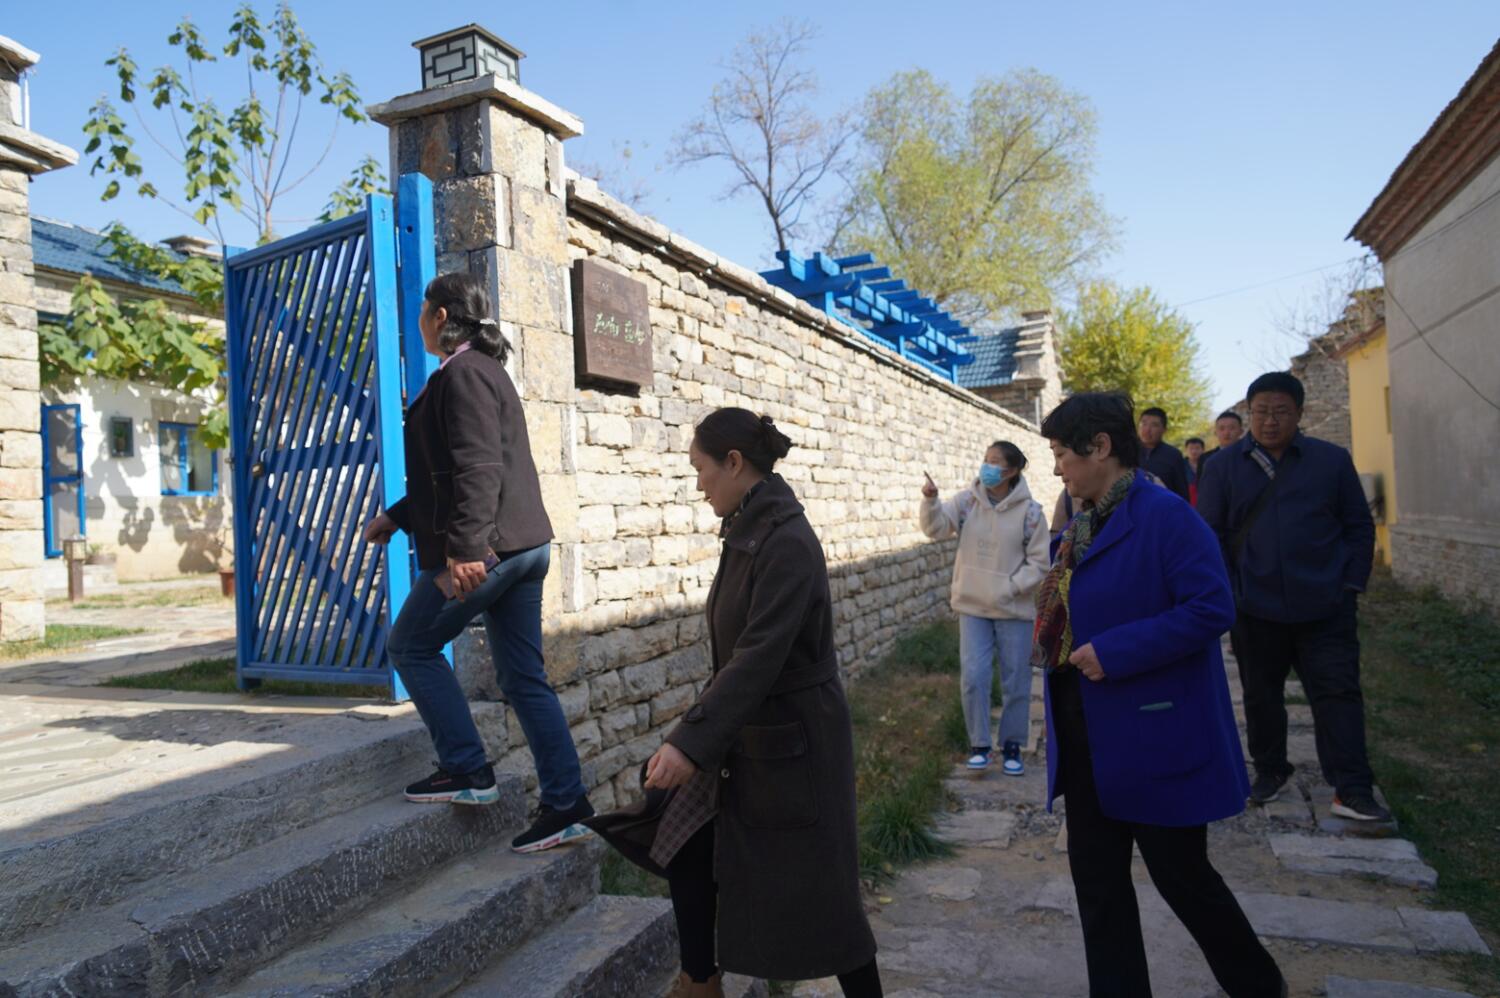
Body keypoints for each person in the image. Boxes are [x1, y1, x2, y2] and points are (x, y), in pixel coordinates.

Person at [587, 409, 881, 998]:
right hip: (745, 733)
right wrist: (698, 736)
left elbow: (759, 655)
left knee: (826, 901)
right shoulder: (748, 528)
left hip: (795, 745)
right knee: (683, 838)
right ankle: (700, 981)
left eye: (701, 470)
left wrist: (689, 742)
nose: (698, 486)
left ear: (735, 463)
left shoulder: (786, 541)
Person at [1035, 392, 1286, 998]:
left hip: (1151, 734)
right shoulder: (1080, 523)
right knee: (1098, 885)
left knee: (1183, 878)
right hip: (1085, 732)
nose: (1057, 467)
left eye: (1063, 453)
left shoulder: (1167, 516)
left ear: (1100, 448)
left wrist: (1117, 650)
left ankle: (1259, 985)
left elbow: (1212, 607)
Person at [362, 272, 593, 853]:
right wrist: (400, 516)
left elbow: (480, 467)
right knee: (523, 678)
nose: (419, 321)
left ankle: (466, 768)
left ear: (440, 316)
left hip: (489, 552)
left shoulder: (463, 373)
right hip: (522, 546)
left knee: (410, 646)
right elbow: (453, 472)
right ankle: (567, 805)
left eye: (423, 311)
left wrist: (465, 550)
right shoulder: (482, 369)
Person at [1197, 373, 1388, 822]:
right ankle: (1270, 770)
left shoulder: (1330, 461)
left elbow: (1359, 526)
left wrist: (1350, 585)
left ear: (1299, 414)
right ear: (1248, 413)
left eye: (1281, 412)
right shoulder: (1222, 467)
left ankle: (1352, 788)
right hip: (1254, 607)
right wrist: (1231, 593)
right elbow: (1209, 534)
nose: (1270, 421)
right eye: (1261, 412)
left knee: (1338, 694)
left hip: (1326, 606)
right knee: (1261, 696)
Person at [919, 442, 1049, 774]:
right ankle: (979, 744)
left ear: (1012, 470)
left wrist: (1010, 587)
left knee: (1016, 681)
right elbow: (935, 529)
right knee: (974, 677)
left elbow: (1040, 563)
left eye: (995, 462)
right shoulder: (965, 503)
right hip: (972, 606)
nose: (987, 467)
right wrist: (931, 501)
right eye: (985, 460)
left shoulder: (1031, 513)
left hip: (1014, 610)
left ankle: (1012, 745)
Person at [1136, 406, 1190, 502]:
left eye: (1154, 425)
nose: (1147, 429)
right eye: (1143, 423)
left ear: (1164, 430)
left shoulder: (1173, 455)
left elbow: (1181, 491)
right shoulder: (1128, 451)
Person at [1184, 436, 1206, 507]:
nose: (1194, 451)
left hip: (1204, 500)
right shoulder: (1180, 465)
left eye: (1197, 448)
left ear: (1203, 450)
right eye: (1191, 448)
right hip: (1186, 501)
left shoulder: (1209, 464)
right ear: (1186, 450)